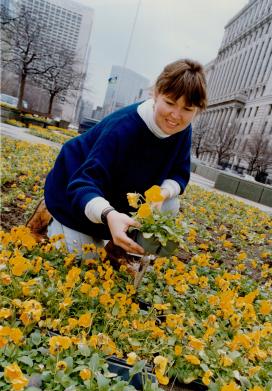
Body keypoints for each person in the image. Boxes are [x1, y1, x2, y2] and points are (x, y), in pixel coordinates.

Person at [44, 58, 207, 256]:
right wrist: (108, 215)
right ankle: (53, 217)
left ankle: (118, 244)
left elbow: (179, 173)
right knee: (84, 260)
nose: (176, 115)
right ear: (156, 94)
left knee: (170, 203)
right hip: (73, 191)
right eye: (170, 103)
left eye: (187, 109)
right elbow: (83, 183)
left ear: (196, 110)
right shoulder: (123, 128)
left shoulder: (182, 128)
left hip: (118, 194)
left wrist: (161, 194)